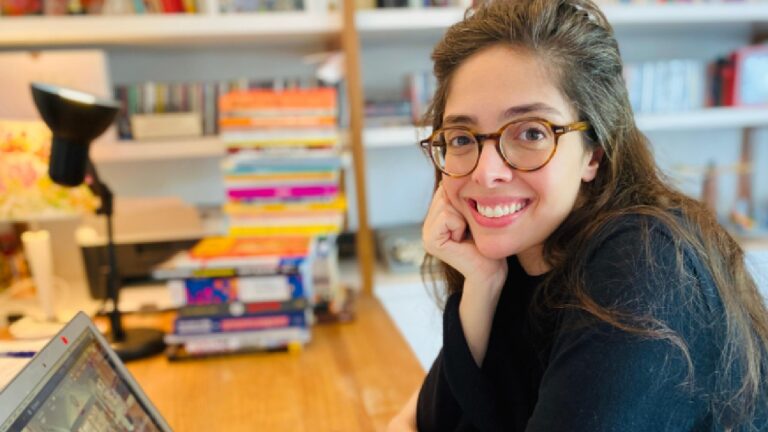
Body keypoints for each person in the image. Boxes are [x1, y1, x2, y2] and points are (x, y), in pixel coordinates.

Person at [386, 0, 768, 431]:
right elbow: (420, 421)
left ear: (594, 153)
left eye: (531, 132)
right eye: (460, 138)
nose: (485, 171)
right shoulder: (519, 256)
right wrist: (481, 287)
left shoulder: (642, 265)